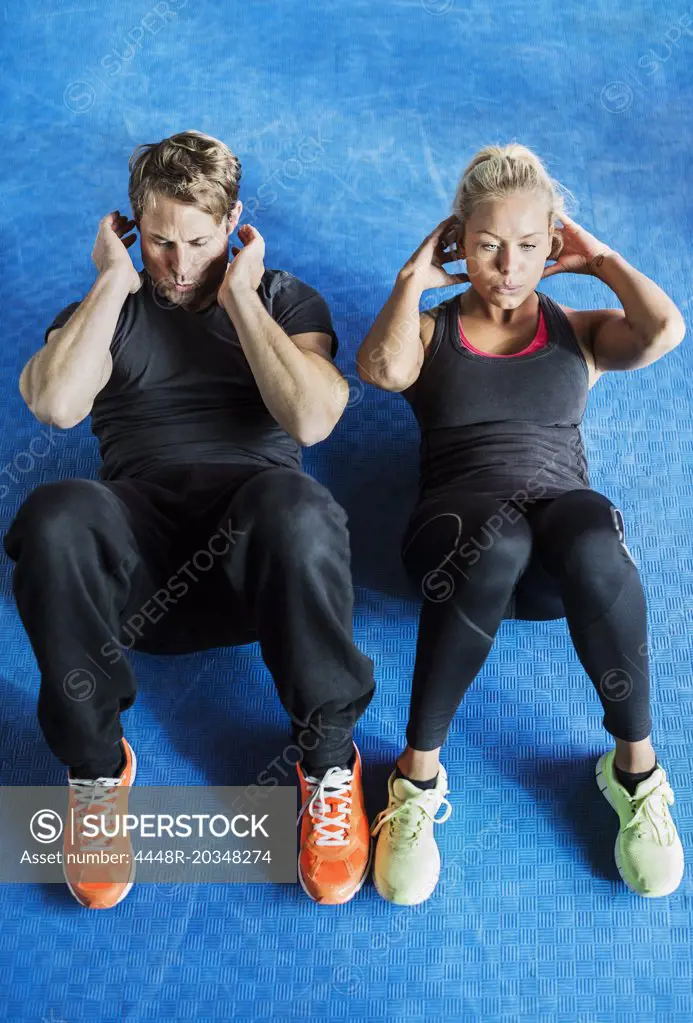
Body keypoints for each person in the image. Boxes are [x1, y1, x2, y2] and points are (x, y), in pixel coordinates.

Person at [4, 130, 374, 910]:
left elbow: (311, 421)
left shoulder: (283, 301)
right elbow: (56, 404)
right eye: (159, 241)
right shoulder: (103, 310)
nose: (176, 264)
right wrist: (111, 281)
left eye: (199, 242)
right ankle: (97, 773)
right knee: (54, 511)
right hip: (134, 576)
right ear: (132, 227)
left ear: (233, 221)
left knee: (296, 501)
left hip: (258, 566)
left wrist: (238, 295)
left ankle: (328, 760)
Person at [356, 142, 687, 905]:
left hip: (553, 569)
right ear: (456, 242)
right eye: (486, 245)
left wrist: (599, 259)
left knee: (591, 526)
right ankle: (415, 776)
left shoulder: (578, 329)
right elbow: (379, 369)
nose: (508, 265)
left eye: (529, 246)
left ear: (553, 245)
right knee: (495, 536)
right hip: (455, 545)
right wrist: (411, 279)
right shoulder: (433, 330)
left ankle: (634, 769)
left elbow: (663, 329)